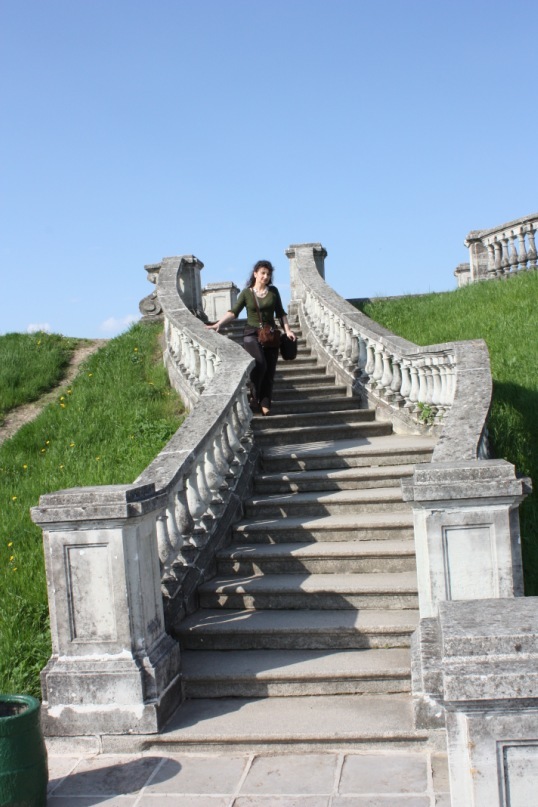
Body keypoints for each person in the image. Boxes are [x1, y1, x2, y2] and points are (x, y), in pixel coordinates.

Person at [206, 260, 296, 416]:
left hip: (270, 334)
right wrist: (218, 324)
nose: (265, 276)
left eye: (268, 274)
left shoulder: (273, 291)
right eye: (263, 273)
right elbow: (234, 312)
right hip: (251, 334)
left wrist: (287, 330)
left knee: (270, 371)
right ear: (255, 274)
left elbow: (280, 313)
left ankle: (265, 402)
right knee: (260, 364)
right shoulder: (246, 293)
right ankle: (254, 395)